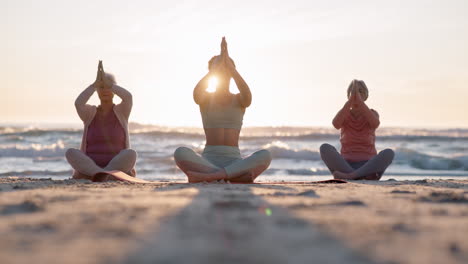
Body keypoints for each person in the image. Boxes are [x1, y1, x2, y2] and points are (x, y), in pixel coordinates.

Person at [174, 37, 272, 183]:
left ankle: (211, 177)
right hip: (208, 160)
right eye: (218, 67)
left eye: (226, 67)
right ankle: (234, 177)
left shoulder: (239, 99)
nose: (222, 69)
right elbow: (196, 93)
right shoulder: (205, 98)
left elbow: (248, 96)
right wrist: (214, 70)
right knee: (180, 152)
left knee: (266, 155)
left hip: (234, 161)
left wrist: (231, 68)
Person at [65, 61, 137, 181]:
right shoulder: (89, 113)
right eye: (101, 87)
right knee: (70, 152)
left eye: (108, 87)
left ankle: (103, 175)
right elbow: (78, 103)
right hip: (90, 168)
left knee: (130, 154)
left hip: (116, 167)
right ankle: (101, 174)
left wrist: (110, 84)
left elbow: (128, 97)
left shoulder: (122, 111)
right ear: (97, 90)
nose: (105, 90)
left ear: (114, 90)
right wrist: (93, 85)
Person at [320, 79, 394, 180]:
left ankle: (352, 176)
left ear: (365, 95)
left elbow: (375, 123)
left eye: (360, 92)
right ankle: (358, 175)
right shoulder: (344, 113)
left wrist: (360, 102)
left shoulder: (372, 113)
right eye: (354, 92)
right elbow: (336, 124)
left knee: (389, 153)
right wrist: (350, 102)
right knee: (324, 148)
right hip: (346, 165)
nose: (356, 95)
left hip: (368, 166)